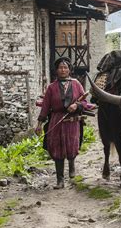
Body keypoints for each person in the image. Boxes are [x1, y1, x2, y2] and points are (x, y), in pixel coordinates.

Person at [35, 57, 87, 189]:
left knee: (72, 146)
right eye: (60, 68)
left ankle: (71, 165)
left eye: (65, 67)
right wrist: (39, 124)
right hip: (57, 119)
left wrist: (77, 106)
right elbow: (46, 106)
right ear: (57, 70)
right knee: (57, 149)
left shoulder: (76, 84)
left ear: (69, 70)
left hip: (72, 121)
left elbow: (85, 103)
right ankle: (60, 180)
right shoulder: (51, 87)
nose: (63, 70)